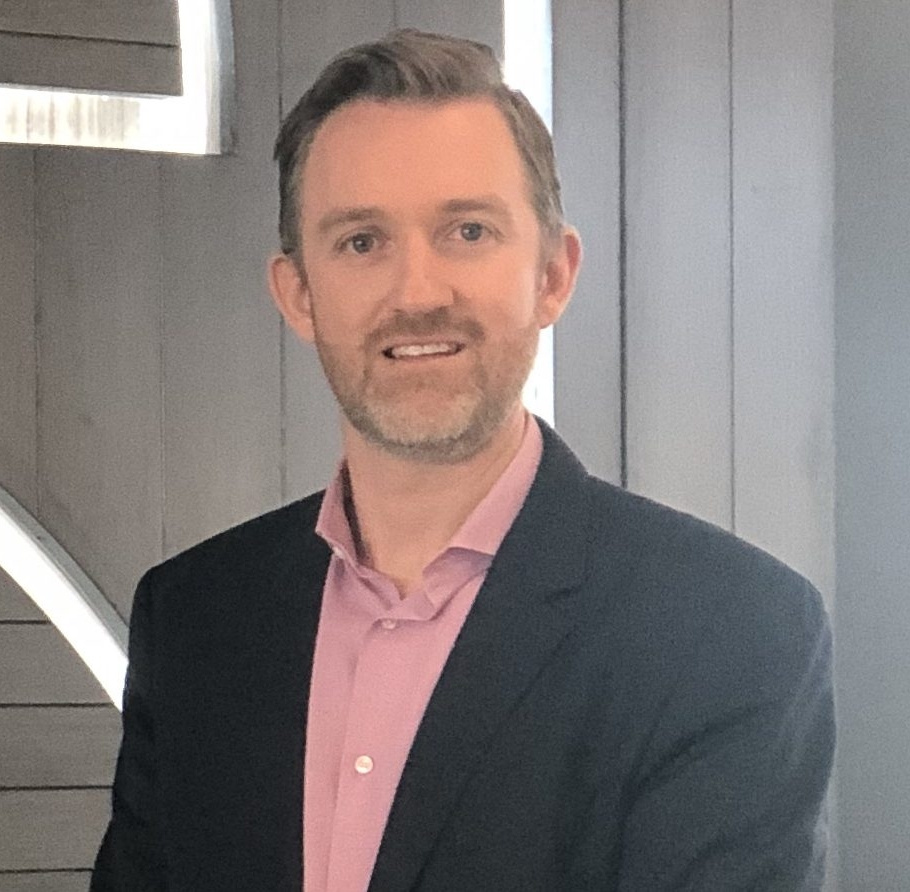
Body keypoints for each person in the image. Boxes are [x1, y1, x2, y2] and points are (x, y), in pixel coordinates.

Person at [91, 29, 834, 892]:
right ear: (297, 295)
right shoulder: (194, 618)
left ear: (552, 275)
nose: (417, 292)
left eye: (467, 231)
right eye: (361, 241)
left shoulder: (728, 630)